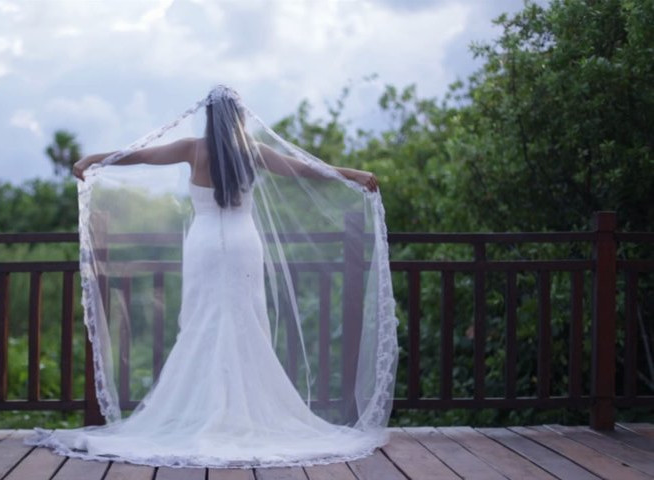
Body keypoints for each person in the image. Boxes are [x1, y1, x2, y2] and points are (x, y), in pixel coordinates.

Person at [27, 85, 398, 468]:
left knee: (203, 324)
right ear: (239, 117)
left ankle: (204, 411)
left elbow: (141, 155)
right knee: (245, 323)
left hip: (204, 245)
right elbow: (303, 168)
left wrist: (96, 158)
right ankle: (242, 414)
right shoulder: (252, 152)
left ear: (208, 116)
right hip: (243, 245)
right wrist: (349, 174)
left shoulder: (192, 149)